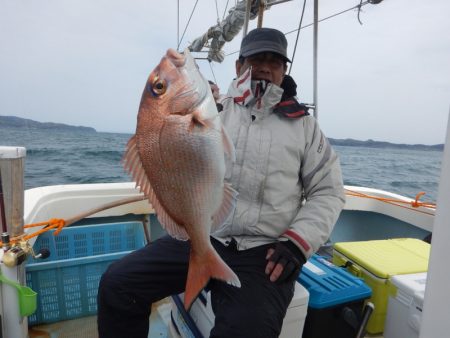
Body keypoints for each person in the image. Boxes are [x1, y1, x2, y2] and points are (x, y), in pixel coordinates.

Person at [97, 27, 345, 338]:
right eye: (256, 60)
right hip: (204, 233)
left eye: (275, 62)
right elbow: (172, 127)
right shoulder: (214, 108)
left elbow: (329, 191)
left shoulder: (306, 128)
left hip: (263, 251)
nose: (265, 68)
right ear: (239, 66)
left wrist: (297, 244)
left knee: (248, 331)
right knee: (118, 284)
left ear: (284, 70)